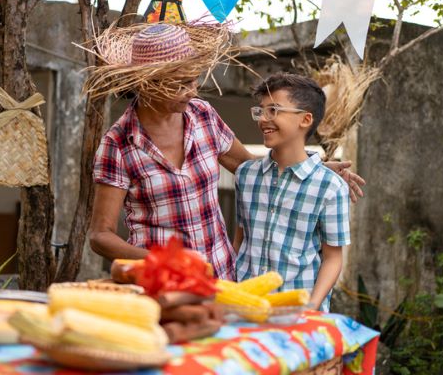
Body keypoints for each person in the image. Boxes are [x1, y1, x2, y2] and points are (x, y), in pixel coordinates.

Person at [87, 22, 363, 281]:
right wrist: (161, 261)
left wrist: (315, 169)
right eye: (180, 84)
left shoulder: (202, 115)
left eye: (193, 80)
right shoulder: (119, 145)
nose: (192, 91)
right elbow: (101, 235)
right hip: (162, 282)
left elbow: (249, 168)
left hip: (221, 276)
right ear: (149, 83)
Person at [233, 72, 350, 311]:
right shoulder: (246, 175)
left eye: (274, 110)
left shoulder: (330, 186)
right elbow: (240, 240)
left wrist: (312, 306)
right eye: (260, 110)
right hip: (244, 306)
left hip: (296, 311)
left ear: (305, 120)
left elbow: (333, 258)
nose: (263, 119)